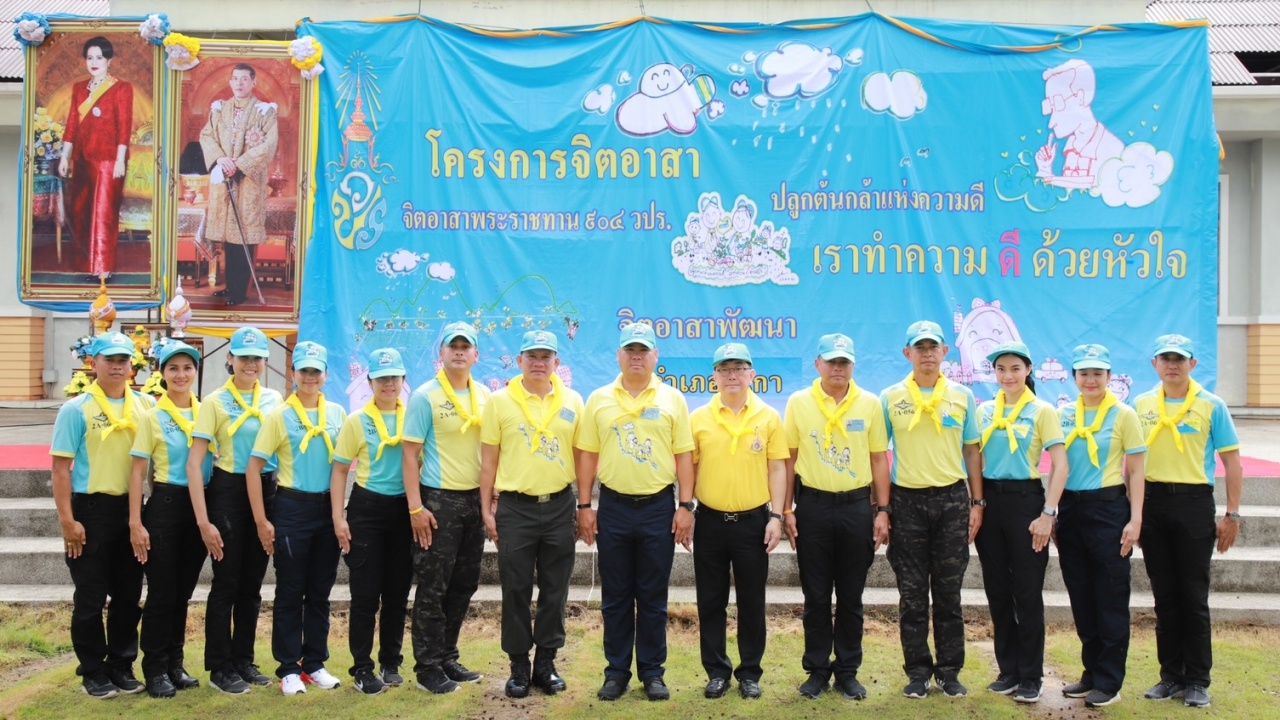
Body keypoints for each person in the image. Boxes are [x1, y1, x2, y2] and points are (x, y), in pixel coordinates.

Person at [575, 322, 695, 702]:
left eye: (644, 350)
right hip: (613, 507)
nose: (637, 356)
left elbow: (684, 456)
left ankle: (653, 672)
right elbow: (587, 455)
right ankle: (616, 672)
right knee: (615, 596)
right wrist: (584, 505)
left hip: (658, 507)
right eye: (630, 350)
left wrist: (685, 506)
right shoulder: (599, 399)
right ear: (619, 355)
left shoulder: (672, 399)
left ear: (655, 355)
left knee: (653, 596)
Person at [1132, 334, 1243, 709]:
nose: (1172, 365)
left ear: (1192, 364)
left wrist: (1232, 513)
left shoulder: (1212, 405)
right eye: (1165, 358)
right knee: (1164, 596)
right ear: (1154, 364)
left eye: (1179, 359)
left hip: (1194, 503)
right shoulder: (1141, 405)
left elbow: (1232, 462)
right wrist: (1133, 512)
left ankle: (1197, 679)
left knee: (1193, 596)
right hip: (1153, 503)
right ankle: (1171, 676)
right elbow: (1131, 462)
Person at [781, 333, 889, 701]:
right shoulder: (799, 402)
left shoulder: (869, 404)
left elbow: (879, 459)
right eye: (831, 361)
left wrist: (883, 510)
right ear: (818, 364)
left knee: (851, 595)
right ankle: (816, 670)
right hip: (812, 507)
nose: (837, 368)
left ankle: (847, 671)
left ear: (853, 365)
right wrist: (786, 509)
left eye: (844, 362)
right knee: (815, 594)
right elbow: (789, 459)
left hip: (856, 508)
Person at [879, 320, 983, 699]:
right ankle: (918, 672)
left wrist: (977, 501)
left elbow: (971, 450)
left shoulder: (962, 395)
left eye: (933, 347)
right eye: (919, 347)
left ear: (944, 352)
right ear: (907, 353)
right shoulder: (890, 397)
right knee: (912, 595)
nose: (926, 354)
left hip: (952, 501)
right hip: (906, 502)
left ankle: (950, 671)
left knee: (949, 593)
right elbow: (878, 453)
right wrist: (883, 507)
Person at [479, 330, 583, 699]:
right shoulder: (499, 401)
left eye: (546, 357)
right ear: (519, 360)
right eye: (532, 356)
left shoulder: (573, 401)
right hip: (515, 508)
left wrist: (584, 506)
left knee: (556, 589)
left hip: (559, 505)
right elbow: (488, 460)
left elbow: (583, 457)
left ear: (557, 362)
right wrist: (485, 508)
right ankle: (519, 665)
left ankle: (546, 663)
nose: (539, 363)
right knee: (515, 589)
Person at [51, 331, 155, 698]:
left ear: (132, 366)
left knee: (128, 594)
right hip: (91, 511)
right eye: (109, 359)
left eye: (123, 360)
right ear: (93, 363)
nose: (116, 366)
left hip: (132, 511)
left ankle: (121, 665)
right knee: (91, 597)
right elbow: (60, 469)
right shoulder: (76, 409)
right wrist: (67, 520)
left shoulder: (145, 405)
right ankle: (93, 670)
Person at [688, 342, 788, 700]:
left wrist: (777, 516)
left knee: (752, 601)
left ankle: (749, 673)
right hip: (709, 521)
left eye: (739, 368)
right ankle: (717, 672)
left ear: (752, 374)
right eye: (724, 369)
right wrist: (685, 508)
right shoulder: (699, 418)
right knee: (710, 601)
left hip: (753, 523)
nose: (732, 375)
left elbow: (778, 468)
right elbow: (689, 468)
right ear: (714, 376)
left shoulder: (768, 416)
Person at [187, 326, 283, 694]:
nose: (250, 364)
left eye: (257, 358)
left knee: (253, 582)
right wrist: (203, 521)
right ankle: (220, 666)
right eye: (244, 357)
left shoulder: (274, 398)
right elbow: (194, 462)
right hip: (228, 492)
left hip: (267, 490)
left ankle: (244, 659)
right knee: (226, 581)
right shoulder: (214, 402)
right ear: (230, 359)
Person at [247, 341, 346, 695]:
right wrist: (262, 520)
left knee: (320, 591)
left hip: (327, 508)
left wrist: (339, 514)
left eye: (316, 371)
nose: (309, 377)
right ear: (293, 374)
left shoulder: (337, 414)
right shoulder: (279, 416)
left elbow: (343, 465)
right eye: (304, 370)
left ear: (325, 375)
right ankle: (288, 667)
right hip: (292, 507)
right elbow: (254, 467)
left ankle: (314, 662)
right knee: (290, 590)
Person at [974, 341, 1068, 704]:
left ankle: (1031, 675)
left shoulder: (1042, 410)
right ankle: (1008, 670)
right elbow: (974, 458)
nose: (1008, 376)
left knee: (1027, 592)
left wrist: (1048, 513)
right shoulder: (984, 411)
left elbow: (1060, 464)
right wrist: (976, 502)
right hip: (991, 502)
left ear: (1028, 370)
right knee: (997, 589)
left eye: (1015, 368)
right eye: (1001, 369)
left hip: (1027, 502)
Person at [1056, 343, 1146, 708]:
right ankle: (1091, 672)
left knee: (1109, 597)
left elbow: (1136, 471)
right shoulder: (1063, 414)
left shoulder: (1124, 414)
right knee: (1081, 596)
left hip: (1108, 509)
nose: (1090, 380)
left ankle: (1110, 680)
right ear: (1074, 376)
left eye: (1097, 373)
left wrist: (1135, 519)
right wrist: (1052, 511)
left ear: (1109, 376)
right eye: (1084, 373)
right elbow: (1057, 465)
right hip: (1071, 509)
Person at [402, 322, 491, 694]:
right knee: (433, 586)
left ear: (475, 355)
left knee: (464, 584)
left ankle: (447, 656)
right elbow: (409, 454)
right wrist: (415, 507)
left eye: (465, 346)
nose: (458, 351)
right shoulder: (425, 396)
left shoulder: (485, 395)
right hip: (439, 501)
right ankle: (427, 667)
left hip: (474, 500)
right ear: (440, 353)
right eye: (452, 345)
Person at [128, 341, 210, 698]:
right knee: (162, 593)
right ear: (162, 374)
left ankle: (175, 664)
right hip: (166, 505)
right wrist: (135, 522)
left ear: (196, 372)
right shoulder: (152, 416)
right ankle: (155, 668)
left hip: (201, 505)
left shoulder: (206, 412)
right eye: (173, 368)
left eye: (187, 368)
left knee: (183, 593)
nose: (181, 375)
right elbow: (137, 472)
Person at [330, 347, 412, 695]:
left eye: (393, 377)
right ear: (370, 382)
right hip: (367, 509)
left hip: (404, 510)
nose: (388, 384)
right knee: (365, 594)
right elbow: (339, 470)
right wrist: (338, 517)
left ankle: (390, 662)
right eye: (381, 378)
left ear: (403, 380)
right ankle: (362, 667)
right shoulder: (356, 420)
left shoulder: (413, 417)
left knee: (397, 591)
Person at [199, 63, 279, 307]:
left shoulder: (265, 112)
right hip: (224, 178)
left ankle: (241, 290)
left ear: (253, 82)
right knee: (228, 237)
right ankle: (229, 286)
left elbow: (269, 145)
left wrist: (240, 164)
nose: (239, 83)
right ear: (230, 82)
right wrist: (220, 160)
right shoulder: (219, 109)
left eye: (244, 79)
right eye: (235, 79)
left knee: (243, 236)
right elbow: (206, 136)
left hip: (249, 181)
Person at [58, 36, 133, 282]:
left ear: (109, 60)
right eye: (90, 57)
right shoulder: (79, 88)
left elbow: (124, 125)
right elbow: (72, 123)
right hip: (82, 159)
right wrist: (64, 156)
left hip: (109, 161)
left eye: (99, 57)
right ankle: (88, 264)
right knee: (81, 212)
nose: (94, 62)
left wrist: (120, 159)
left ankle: (103, 268)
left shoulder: (121, 88)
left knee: (103, 213)